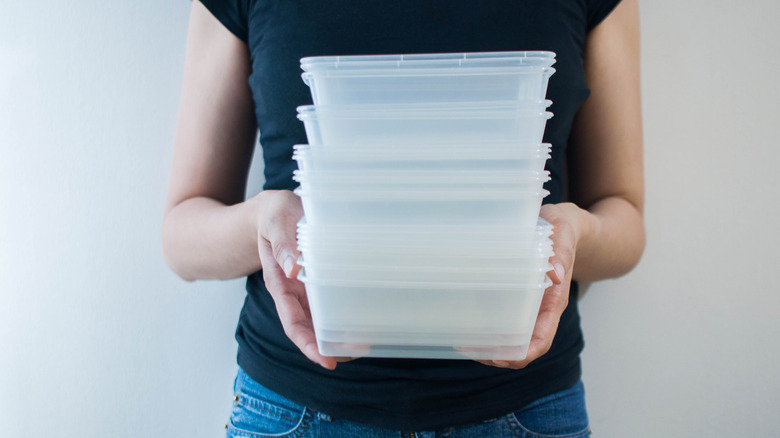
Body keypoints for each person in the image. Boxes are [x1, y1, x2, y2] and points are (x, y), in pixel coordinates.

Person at [162, 0, 644, 436]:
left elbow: (623, 216)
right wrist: (264, 223)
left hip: (524, 409)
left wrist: (572, 234)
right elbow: (182, 234)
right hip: (296, 408)